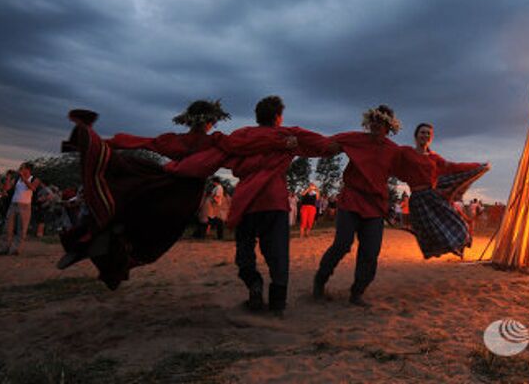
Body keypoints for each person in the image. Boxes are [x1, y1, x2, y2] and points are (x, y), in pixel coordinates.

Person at [55, 100, 254, 289]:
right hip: (186, 198)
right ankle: (114, 257)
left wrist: (107, 143)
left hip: (161, 186)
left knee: (129, 208)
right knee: (157, 243)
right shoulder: (215, 143)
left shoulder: (174, 141)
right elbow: (238, 151)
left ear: (189, 120)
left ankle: (88, 239)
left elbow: (141, 142)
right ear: (211, 122)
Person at [166, 95, 337, 314]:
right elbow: (323, 145)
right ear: (277, 117)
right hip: (274, 202)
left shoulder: (242, 136)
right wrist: (345, 146)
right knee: (278, 255)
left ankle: (254, 285)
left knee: (244, 252)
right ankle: (277, 306)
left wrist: (177, 165)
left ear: (258, 117)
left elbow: (215, 151)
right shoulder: (286, 136)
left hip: (247, 201)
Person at [313, 105, 402, 307]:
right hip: (351, 200)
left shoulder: (394, 151)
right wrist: (297, 144)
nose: (376, 126)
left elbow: (414, 169)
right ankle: (320, 281)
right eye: (374, 121)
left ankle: (357, 293)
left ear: (388, 127)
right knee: (342, 244)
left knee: (370, 252)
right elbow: (325, 143)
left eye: (381, 123)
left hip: (375, 206)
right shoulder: (355, 139)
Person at [393, 123, 489, 259]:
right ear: (416, 136)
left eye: (428, 134)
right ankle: (443, 248)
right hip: (417, 200)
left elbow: (453, 167)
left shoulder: (434, 157)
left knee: (457, 223)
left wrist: (478, 165)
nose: (425, 135)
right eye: (422, 132)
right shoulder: (406, 152)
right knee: (428, 231)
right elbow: (390, 154)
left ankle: (458, 246)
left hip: (433, 197)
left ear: (431, 138)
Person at [0, 163, 42, 256]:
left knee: (21, 229)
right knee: (7, 228)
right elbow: (7, 188)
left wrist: (24, 178)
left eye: (22, 168)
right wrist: (8, 178)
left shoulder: (35, 179)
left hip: (25, 206)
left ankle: (16, 249)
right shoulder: (17, 179)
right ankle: (4, 248)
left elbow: (33, 188)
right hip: (13, 205)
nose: (20, 170)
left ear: (28, 170)